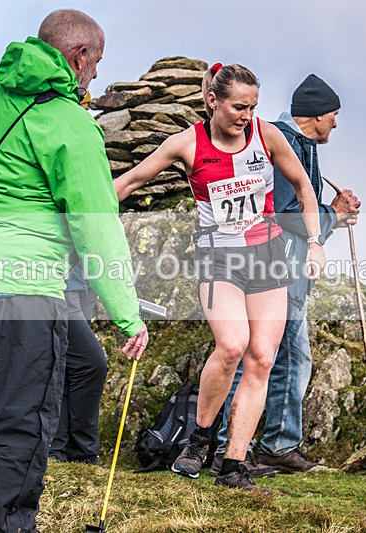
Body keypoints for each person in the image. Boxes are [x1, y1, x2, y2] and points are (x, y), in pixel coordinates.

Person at [0, 10, 148, 532]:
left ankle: (65, 467)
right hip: (23, 286)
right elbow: (96, 225)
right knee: (20, 427)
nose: (97, 75)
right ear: (78, 56)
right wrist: (128, 314)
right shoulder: (68, 121)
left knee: (71, 370)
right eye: (96, 62)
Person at [114, 63, 326, 493]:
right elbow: (132, 180)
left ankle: (233, 466)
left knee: (262, 359)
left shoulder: (266, 135)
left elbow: (303, 186)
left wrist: (316, 241)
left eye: (252, 107)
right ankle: (200, 437)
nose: (245, 115)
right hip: (219, 259)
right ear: (213, 101)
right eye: (237, 107)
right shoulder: (186, 143)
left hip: (266, 256)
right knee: (232, 346)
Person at [212, 74, 361, 475]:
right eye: (333, 115)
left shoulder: (297, 144)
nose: (335, 123)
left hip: (271, 267)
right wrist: (335, 215)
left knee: (263, 357)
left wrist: (329, 212)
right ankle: (265, 446)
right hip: (277, 270)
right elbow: (281, 211)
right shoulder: (283, 143)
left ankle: (241, 448)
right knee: (286, 358)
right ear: (315, 116)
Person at [48, 265, 105, 466]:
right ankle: (82, 451)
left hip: (86, 283)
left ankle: (59, 450)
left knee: (67, 365)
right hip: (61, 283)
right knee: (92, 363)